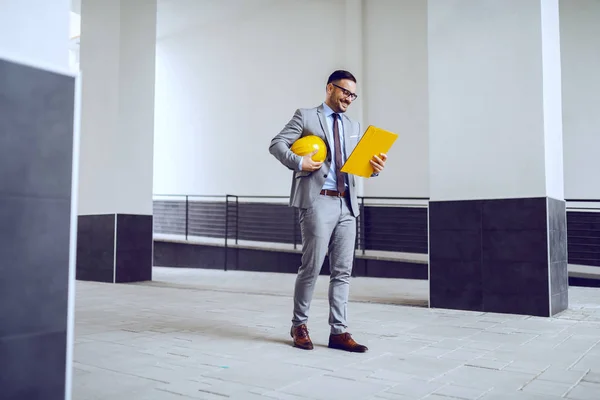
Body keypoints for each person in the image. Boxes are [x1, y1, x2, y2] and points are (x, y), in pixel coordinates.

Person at [268, 70, 387, 352]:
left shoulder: (354, 125)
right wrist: (299, 162)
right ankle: (299, 325)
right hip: (318, 201)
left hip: (347, 203)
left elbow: (358, 165)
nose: (349, 98)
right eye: (345, 92)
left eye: (353, 95)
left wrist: (375, 168)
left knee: (343, 271)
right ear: (330, 89)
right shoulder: (306, 116)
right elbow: (276, 144)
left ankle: (339, 332)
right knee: (311, 267)